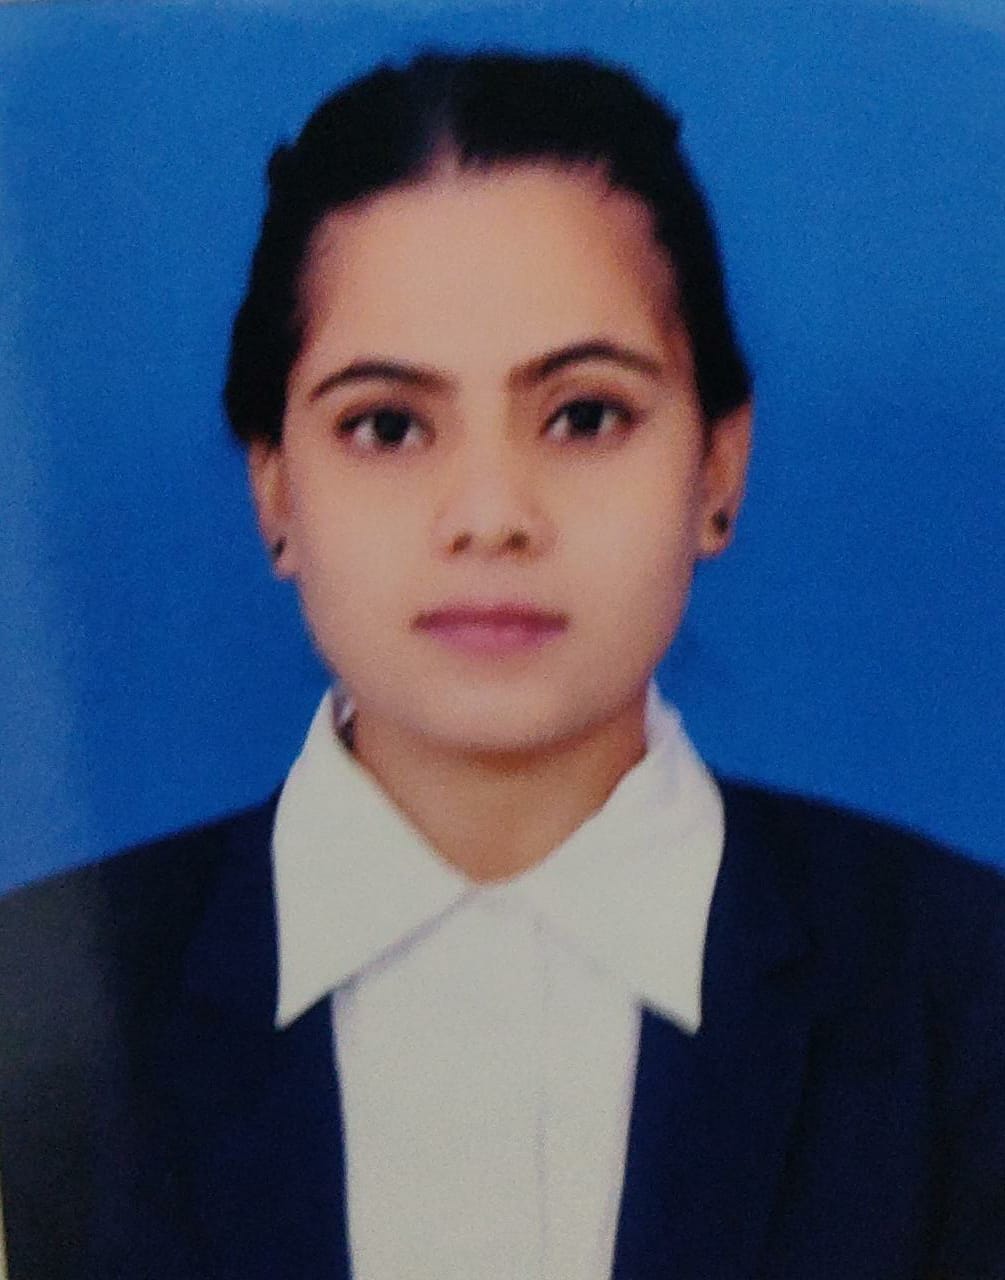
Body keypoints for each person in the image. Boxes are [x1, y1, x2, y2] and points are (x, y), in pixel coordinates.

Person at [0, 47, 1002, 1280]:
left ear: (719, 466)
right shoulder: (35, 1005)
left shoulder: (966, 996)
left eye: (585, 415)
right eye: (387, 425)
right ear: (275, 489)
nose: (490, 516)